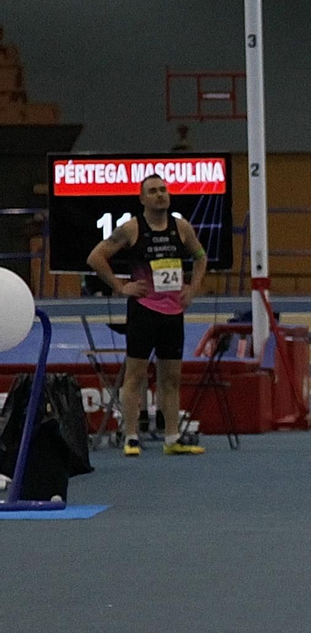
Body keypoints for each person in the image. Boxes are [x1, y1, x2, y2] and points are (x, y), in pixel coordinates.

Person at [86, 174, 208, 456]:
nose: (160, 195)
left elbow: (200, 257)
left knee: (171, 378)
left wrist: (193, 288)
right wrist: (120, 286)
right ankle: (131, 437)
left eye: (163, 190)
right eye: (153, 191)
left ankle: (172, 438)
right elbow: (95, 257)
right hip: (144, 310)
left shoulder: (182, 228)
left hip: (173, 312)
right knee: (135, 376)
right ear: (142, 199)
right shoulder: (131, 229)